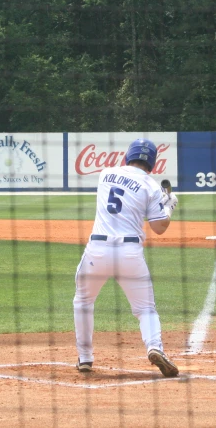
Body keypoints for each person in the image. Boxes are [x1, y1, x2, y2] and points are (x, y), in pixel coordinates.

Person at [73, 138, 179, 377]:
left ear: (128, 156)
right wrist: (169, 206)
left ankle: (85, 358)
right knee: (145, 309)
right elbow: (159, 228)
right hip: (129, 254)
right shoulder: (151, 186)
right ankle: (154, 347)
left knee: (83, 302)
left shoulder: (105, 173)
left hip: (97, 250)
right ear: (152, 162)